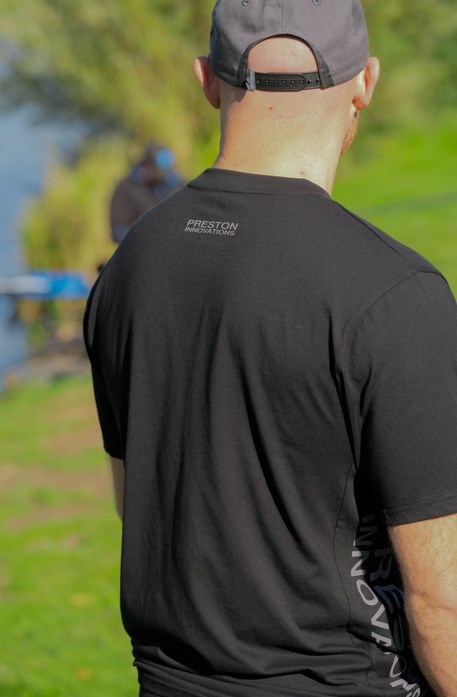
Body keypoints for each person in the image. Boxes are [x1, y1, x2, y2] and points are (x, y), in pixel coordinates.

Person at [84, 1, 457, 696]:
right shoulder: (396, 294)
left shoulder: (130, 265)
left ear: (206, 79)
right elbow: (444, 601)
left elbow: (139, 505)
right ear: (365, 82)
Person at [109, 143, 183, 244]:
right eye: (157, 176)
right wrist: (146, 241)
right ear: (145, 167)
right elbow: (118, 231)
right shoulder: (125, 188)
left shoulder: (172, 184)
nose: (160, 180)